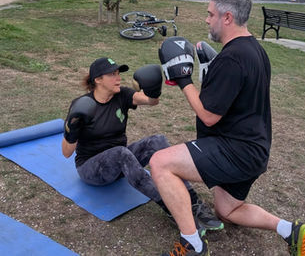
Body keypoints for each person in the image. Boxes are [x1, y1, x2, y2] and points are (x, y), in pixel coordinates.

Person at [151, 0, 305, 256]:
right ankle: (291, 230)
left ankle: (191, 243)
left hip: (235, 150)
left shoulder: (233, 58)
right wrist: (209, 69)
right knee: (227, 209)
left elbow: (208, 115)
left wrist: (183, 79)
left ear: (227, 17)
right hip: (255, 150)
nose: (207, 19)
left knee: (160, 163)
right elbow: (234, 96)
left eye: (211, 13)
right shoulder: (255, 51)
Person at [61, 56, 222, 230]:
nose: (118, 78)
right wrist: (72, 128)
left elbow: (151, 101)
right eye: (112, 75)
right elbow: (67, 152)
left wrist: (153, 91)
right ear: (98, 80)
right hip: (92, 169)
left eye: (118, 73)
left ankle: (193, 203)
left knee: (157, 141)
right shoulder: (82, 105)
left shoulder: (121, 95)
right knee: (121, 153)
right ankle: (172, 207)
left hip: (121, 163)